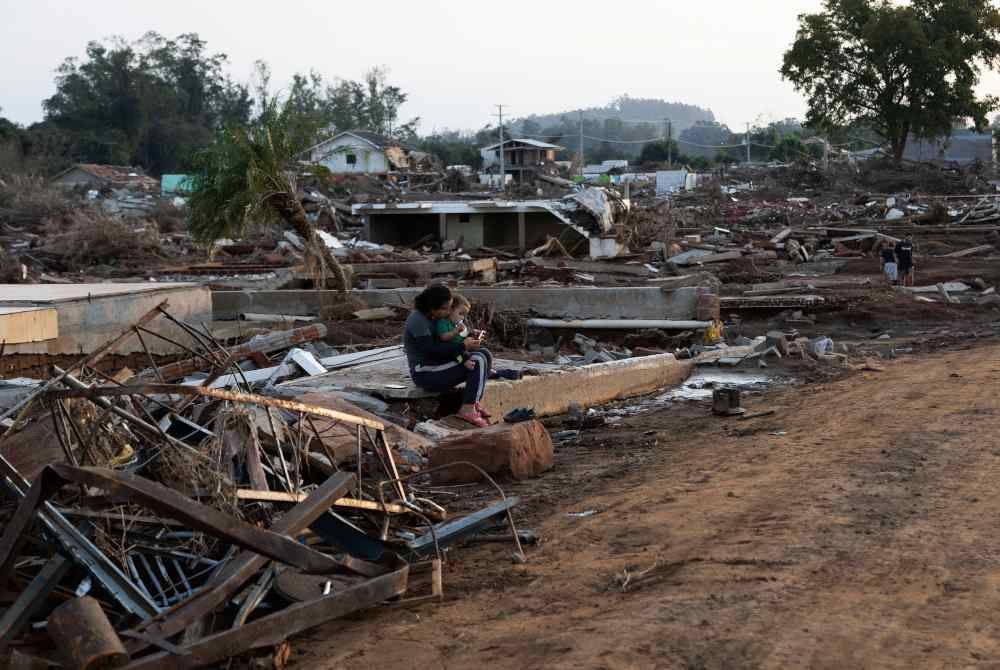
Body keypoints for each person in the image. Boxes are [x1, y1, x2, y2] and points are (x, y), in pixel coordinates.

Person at [404, 284, 493, 427]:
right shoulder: (418, 321)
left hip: (441, 363)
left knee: (484, 353)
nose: (448, 312)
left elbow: (449, 340)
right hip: (426, 372)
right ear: (433, 307)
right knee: (478, 361)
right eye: (445, 309)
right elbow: (432, 350)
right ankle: (467, 409)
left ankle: (475, 403)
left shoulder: (436, 318)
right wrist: (463, 346)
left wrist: (468, 336)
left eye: (450, 308)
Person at [435, 293, 479, 371]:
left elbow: (463, 335)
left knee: (480, 351)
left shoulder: (455, 324)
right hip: (451, 350)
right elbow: (443, 337)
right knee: (457, 355)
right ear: (450, 310)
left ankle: (486, 368)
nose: (462, 317)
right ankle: (464, 362)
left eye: (465, 315)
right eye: (460, 314)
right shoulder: (442, 322)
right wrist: (455, 332)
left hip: (460, 347)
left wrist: (471, 333)